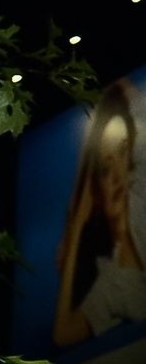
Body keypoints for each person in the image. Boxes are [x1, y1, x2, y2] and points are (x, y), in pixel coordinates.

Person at [53, 80, 146, 348]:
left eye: (122, 153)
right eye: (105, 170)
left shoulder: (142, 197)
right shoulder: (113, 284)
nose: (116, 175)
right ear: (95, 195)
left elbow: (123, 91)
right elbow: (62, 334)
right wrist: (75, 229)